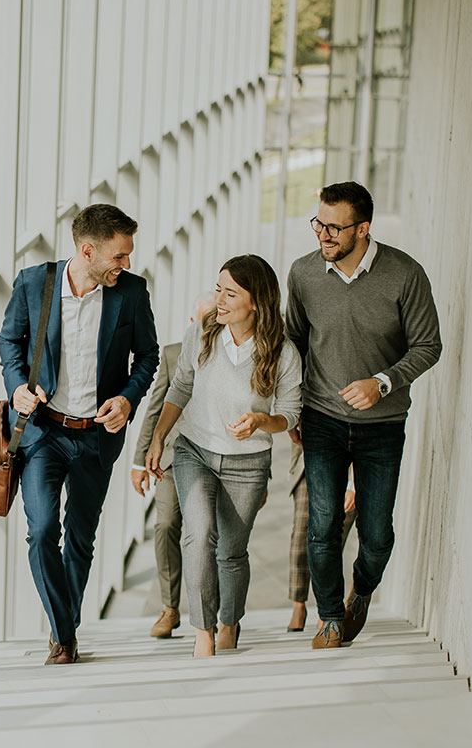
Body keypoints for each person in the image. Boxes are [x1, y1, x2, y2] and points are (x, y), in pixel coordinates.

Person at [0, 203, 160, 665]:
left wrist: (127, 399)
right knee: (44, 529)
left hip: (95, 436)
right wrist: (17, 389)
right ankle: (65, 632)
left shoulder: (131, 293)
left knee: (81, 538)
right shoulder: (34, 284)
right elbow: (9, 341)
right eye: (119, 256)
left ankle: (61, 632)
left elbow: (147, 356)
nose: (126, 264)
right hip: (43, 432)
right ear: (88, 251)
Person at [286, 180, 442, 650]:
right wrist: (292, 409)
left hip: (383, 425)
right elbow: (294, 343)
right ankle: (330, 616)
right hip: (321, 418)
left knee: (376, 534)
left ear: (363, 229)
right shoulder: (303, 274)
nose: (323, 235)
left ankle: (363, 591)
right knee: (323, 522)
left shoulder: (404, 274)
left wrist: (383, 383)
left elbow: (428, 345)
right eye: (319, 224)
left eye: (335, 228)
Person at [146, 255, 302, 657]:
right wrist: (159, 437)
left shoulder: (283, 354)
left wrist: (261, 421)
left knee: (231, 551)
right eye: (218, 289)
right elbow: (179, 388)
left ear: (256, 301)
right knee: (198, 536)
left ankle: (230, 621)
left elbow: (290, 414)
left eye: (230, 292)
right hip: (194, 451)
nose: (220, 299)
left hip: (247, 463)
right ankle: (204, 631)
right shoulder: (202, 334)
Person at [130, 293, 217, 639]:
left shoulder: (234, 355)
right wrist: (140, 461)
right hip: (171, 458)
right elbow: (155, 410)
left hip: (216, 459)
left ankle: (216, 613)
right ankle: (169, 607)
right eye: (202, 320)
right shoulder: (171, 354)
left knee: (211, 534)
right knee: (166, 525)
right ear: (192, 323)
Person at [286, 443, 356, 632]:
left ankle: (326, 612)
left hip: (346, 471)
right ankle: (298, 606)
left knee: (331, 543)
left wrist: (353, 482)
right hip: (308, 464)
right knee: (300, 540)